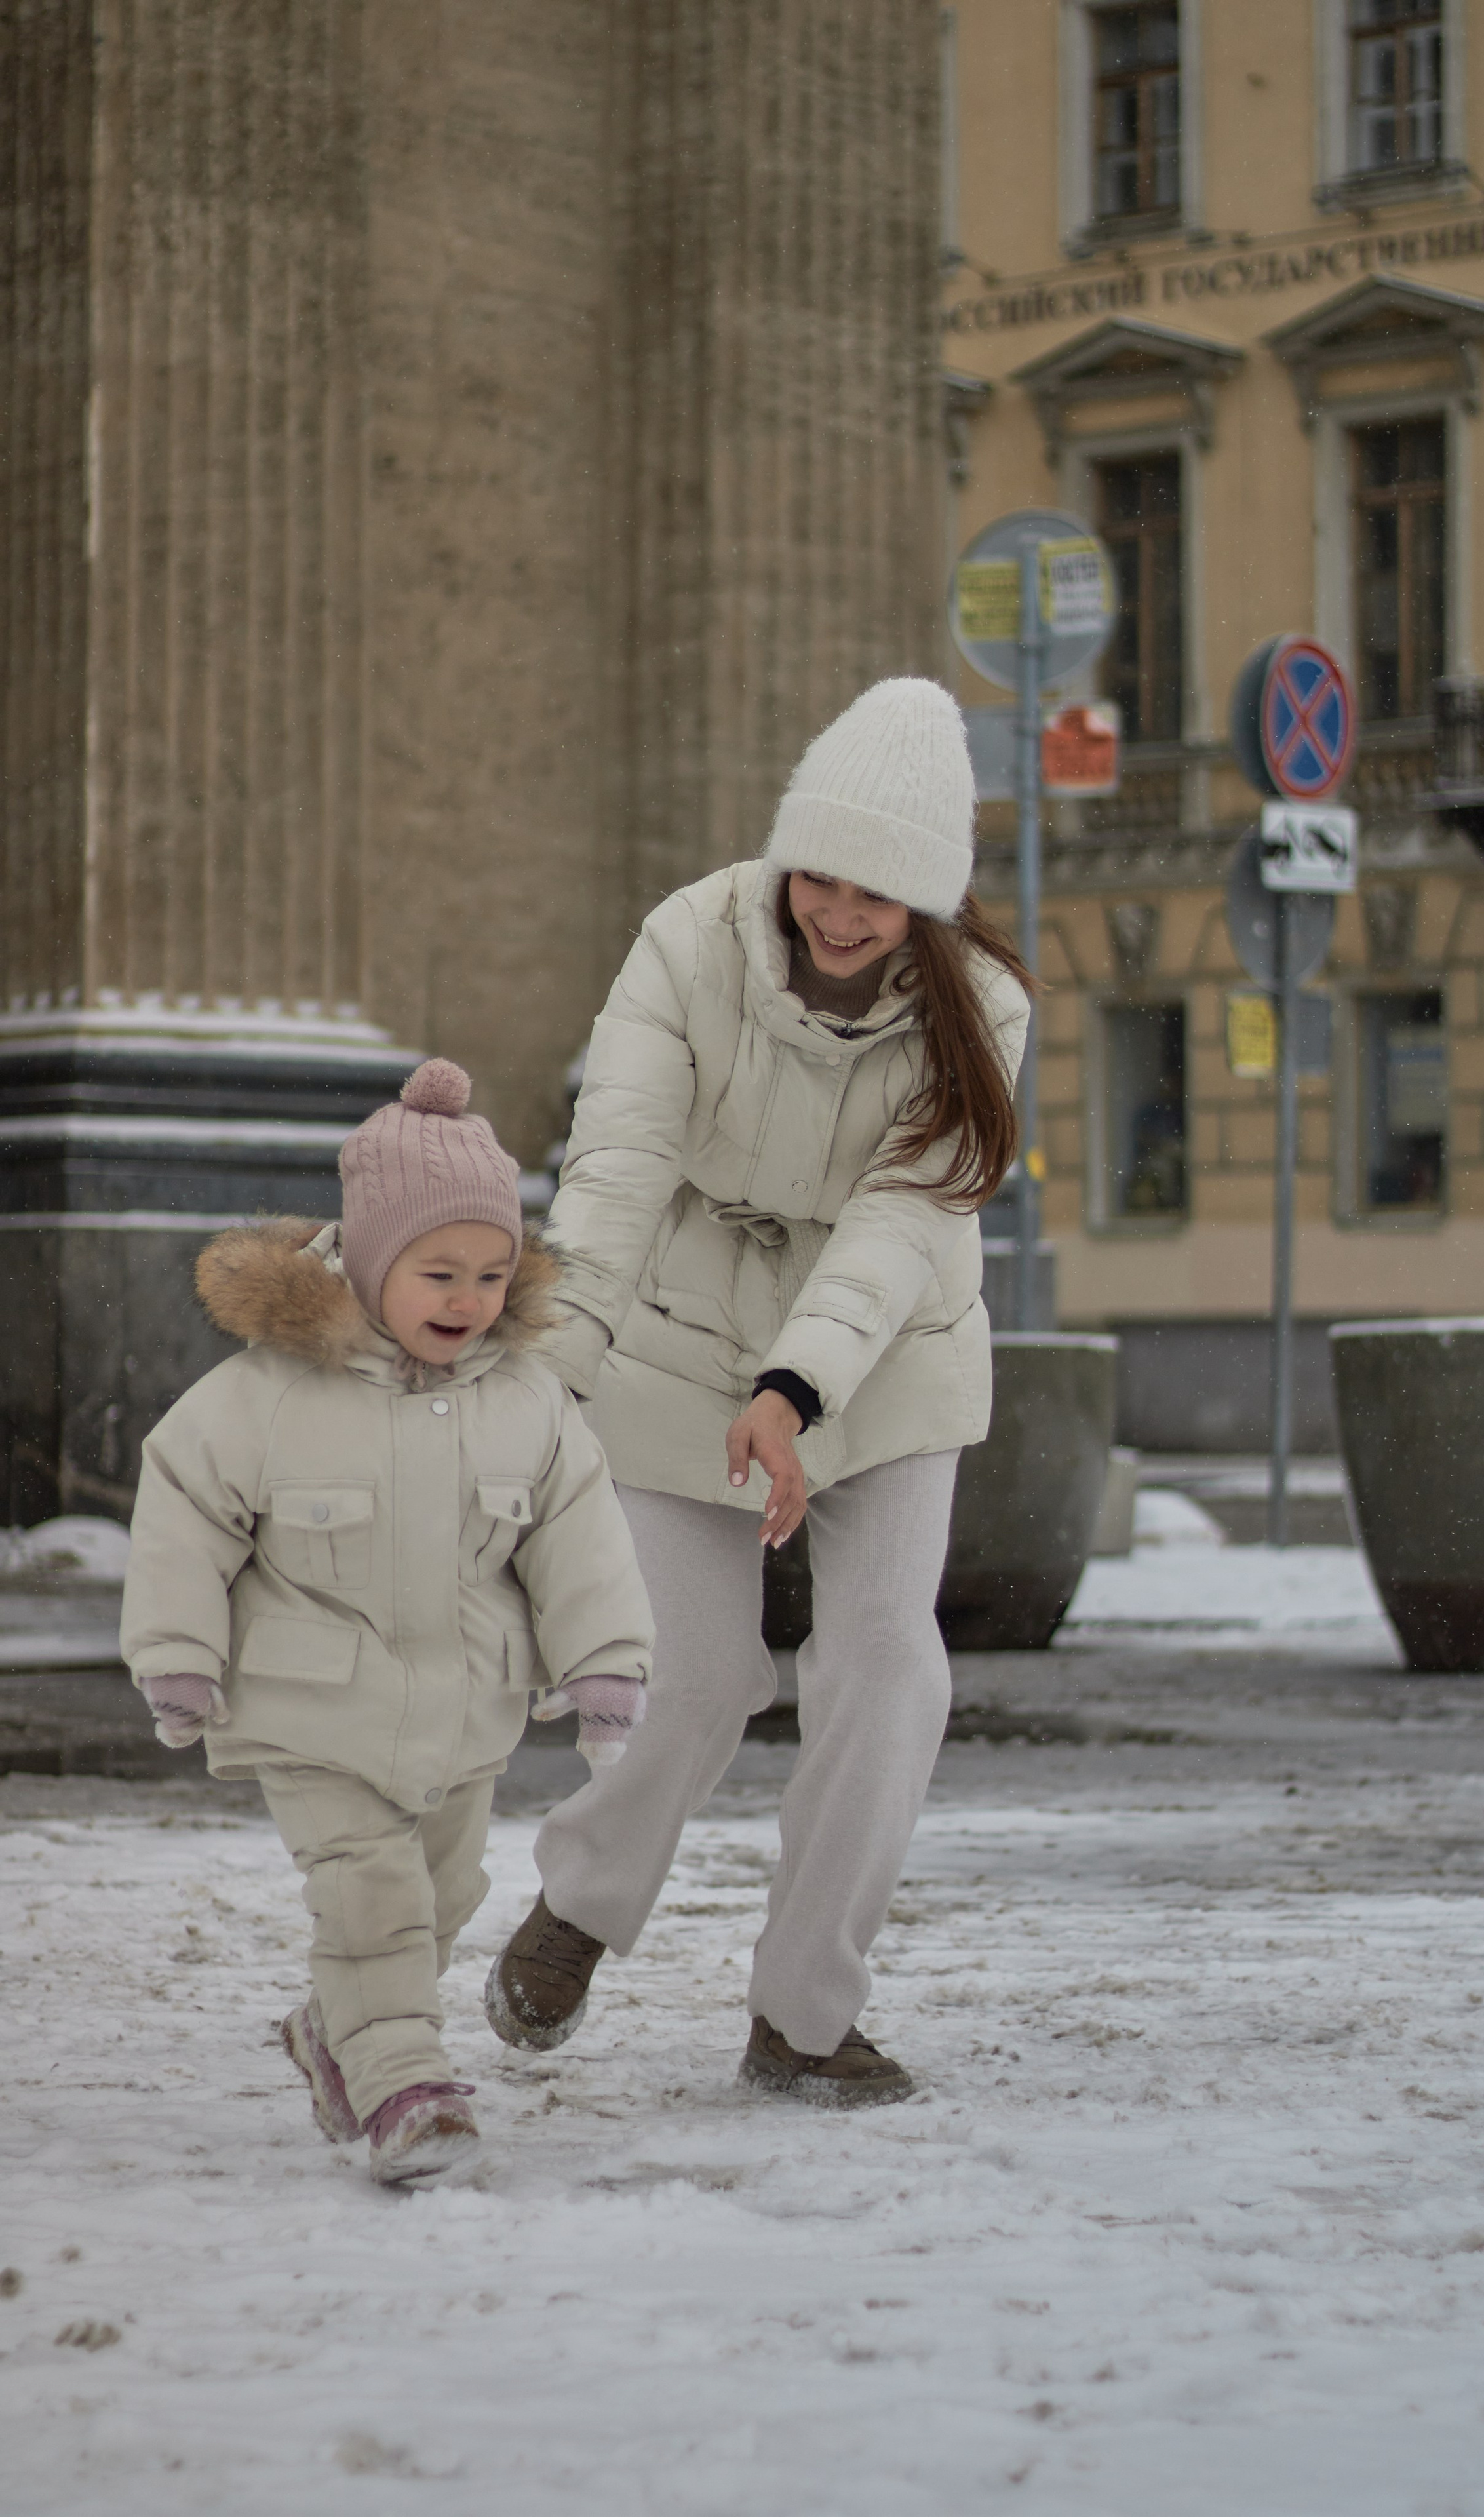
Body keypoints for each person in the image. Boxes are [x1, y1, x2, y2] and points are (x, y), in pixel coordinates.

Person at [484, 677, 1032, 2106]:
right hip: (675, 1335)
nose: (838, 915)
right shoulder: (689, 942)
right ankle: (580, 1910)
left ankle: (803, 2014)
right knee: (699, 1672)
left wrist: (795, 1391)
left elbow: (898, 1232)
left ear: (932, 901)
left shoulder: (983, 1011)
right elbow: (610, 1180)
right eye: (820, 876)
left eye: (878, 893)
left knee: (885, 1671)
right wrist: (542, 1388)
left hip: (887, 1359)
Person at [121, 1061, 655, 2186]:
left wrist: (603, 1666)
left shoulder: (528, 1400)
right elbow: (183, 1509)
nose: (468, 1298)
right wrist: (177, 1654)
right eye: (439, 1271)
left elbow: (579, 1534)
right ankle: (407, 2088)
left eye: (493, 1273)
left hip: (464, 1714)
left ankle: (335, 2032)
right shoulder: (268, 1393)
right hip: (310, 1709)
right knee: (373, 1899)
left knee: (442, 1899)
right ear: (370, 1264)